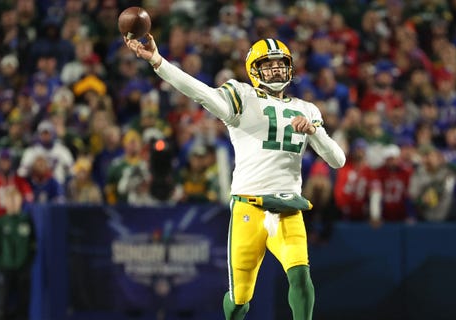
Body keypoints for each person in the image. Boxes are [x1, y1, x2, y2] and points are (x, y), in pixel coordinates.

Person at [124, 35, 345, 320]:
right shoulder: (242, 95)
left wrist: (315, 132)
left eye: (281, 64)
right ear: (254, 69)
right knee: (240, 299)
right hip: (248, 207)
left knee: (301, 276)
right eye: (269, 65)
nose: (276, 70)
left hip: (287, 208)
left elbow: (337, 160)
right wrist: (158, 61)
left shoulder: (307, 109)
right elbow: (199, 92)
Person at [0, 186, 35, 320]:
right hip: (5, 268)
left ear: (20, 200)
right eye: (10, 200)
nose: (13, 202)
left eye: (15, 199)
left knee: (24, 303)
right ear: (5, 203)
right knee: (2, 304)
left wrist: (29, 262)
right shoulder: (1, 222)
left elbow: (34, 243)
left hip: (23, 268)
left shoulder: (27, 220)